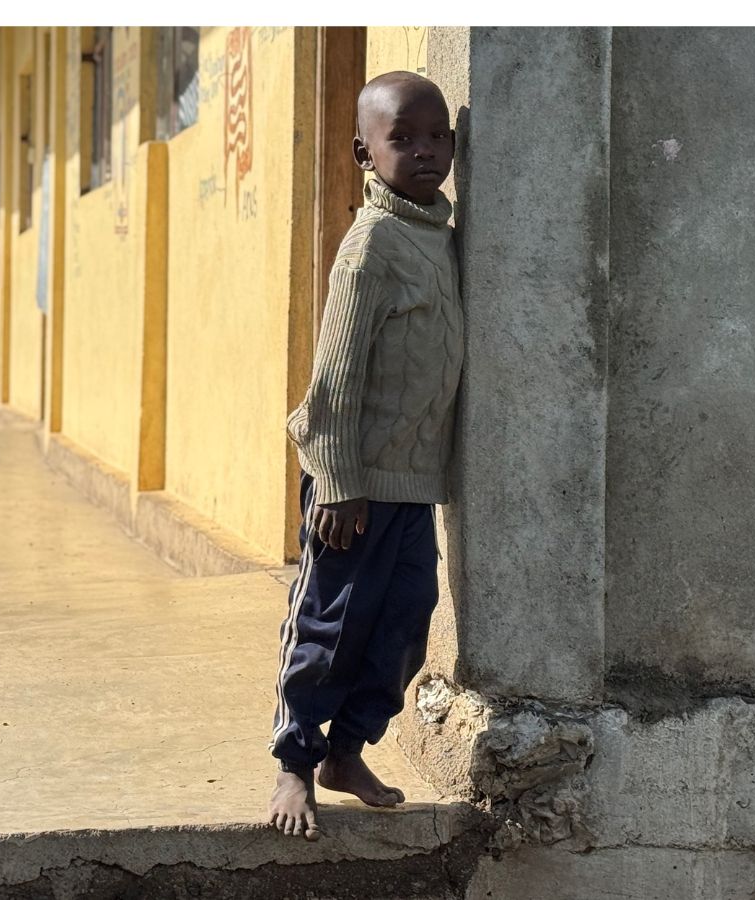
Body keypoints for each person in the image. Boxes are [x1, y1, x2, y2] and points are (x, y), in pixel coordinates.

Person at [267, 71, 463, 841]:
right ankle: (293, 761)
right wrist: (338, 481)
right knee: (329, 624)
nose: (424, 151)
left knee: (405, 622)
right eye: (402, 138)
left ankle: (345, 753)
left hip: (410, 483)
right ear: (363, 152)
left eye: (437, 135)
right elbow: (337, 377)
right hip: (351, 483)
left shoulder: (437, 236)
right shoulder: (372, 246)